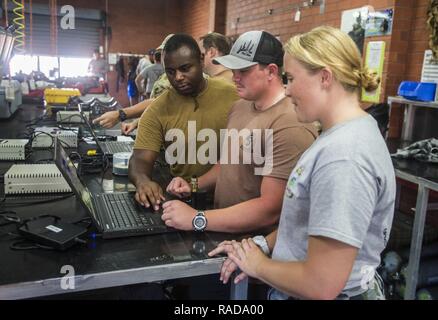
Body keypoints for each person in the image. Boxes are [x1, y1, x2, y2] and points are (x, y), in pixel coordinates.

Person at [209, 26, 396, 300]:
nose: (286, 90)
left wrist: (258, 265)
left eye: (291, 78)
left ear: (325, 77)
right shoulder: (337, 136)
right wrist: (260, 245)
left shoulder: (344, 157)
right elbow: (305, 221)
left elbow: (321, 285)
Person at [164, 31, 317, 233]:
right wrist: (192, 184)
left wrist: (196, 218)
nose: (234, 77)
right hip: (223, 230)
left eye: (243, 70)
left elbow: (270, 209)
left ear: (271, 71)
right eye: (233, 68)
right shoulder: (240, 106)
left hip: (254, 246)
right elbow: (227, 165)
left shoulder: (290, 124)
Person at [129, 33, 239, 211]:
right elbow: (140, 159)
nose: (178, 77)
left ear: (201, 60)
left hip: (230, 202)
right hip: (184, 200)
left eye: (185, 68)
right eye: (171, 72)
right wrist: (143, 181)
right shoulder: (158, 109)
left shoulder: (233, 95)